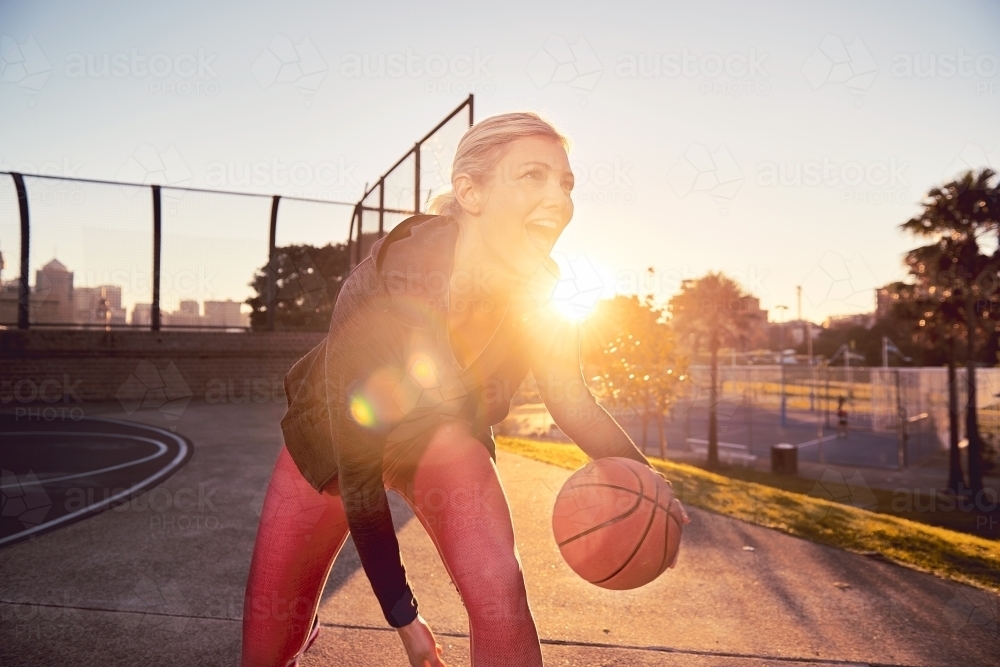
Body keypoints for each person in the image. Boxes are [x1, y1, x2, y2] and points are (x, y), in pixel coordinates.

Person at [241, 112, 690, 667]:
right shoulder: (386, 286)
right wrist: (404, 617)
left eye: (567, 183)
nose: (559, 198)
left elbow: (571, 399)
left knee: (502, 597)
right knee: (267, 647)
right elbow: (359, 476)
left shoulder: (542, 290)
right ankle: (293, 631)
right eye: (533, 176)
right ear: (470, 193)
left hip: (442, 437)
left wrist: (651, 482)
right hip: (333, 445)